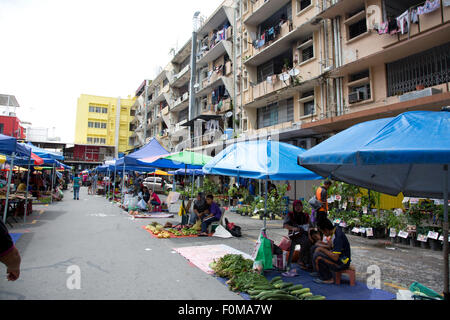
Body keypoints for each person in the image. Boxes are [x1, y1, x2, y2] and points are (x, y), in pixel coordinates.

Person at [311, 218, 351, 284]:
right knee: (315, 248)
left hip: (343, 262)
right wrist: (320, 244)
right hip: (339, 258)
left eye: (322, 232)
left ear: (326, 230)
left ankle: (328, 278)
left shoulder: (338, 237)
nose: (323, 234)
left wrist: (322, 249)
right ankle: (319, 272)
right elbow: (330, 246)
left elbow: (335, 257)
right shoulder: (334, 231)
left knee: (318, 255)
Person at [282, 200, 313, 277]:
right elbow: (285, 225)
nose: (298, 208)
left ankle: (309, 261)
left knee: (313, 242)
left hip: (304, 234)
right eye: (296, 206)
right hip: (294, 235)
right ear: (294, 207)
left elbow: (311, 225)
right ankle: (301, 260)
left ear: (302, 207)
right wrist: (293, 228)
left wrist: (309, 230)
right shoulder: (290, 215)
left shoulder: (305, 215)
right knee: (306, 241)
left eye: (300, 206)